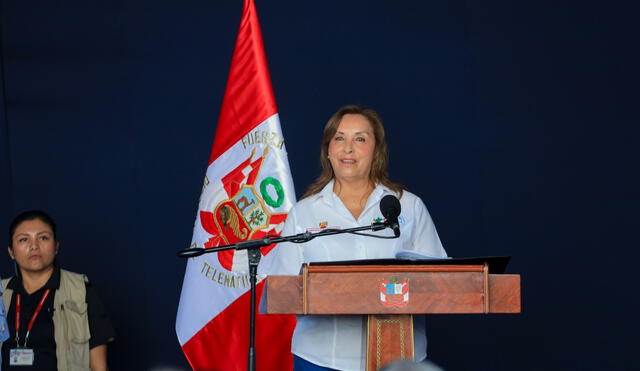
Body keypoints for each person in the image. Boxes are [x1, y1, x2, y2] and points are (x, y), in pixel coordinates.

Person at [259, 105, 447, 370]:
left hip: (399, 358)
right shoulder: (304, 213)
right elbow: (281, 290)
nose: (348, 148)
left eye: (360, 139)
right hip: (321, 359)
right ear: (328, 150)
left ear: (376, 151)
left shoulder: (409, 206)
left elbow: (444, 282)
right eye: (339, 138)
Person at [1, 210, 115, 371]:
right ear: (11, 251)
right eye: (23, 239)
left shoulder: (81, 292)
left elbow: (99, 367)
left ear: (56, 246)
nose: (34, 246)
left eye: (43, 238)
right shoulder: (1, 294)